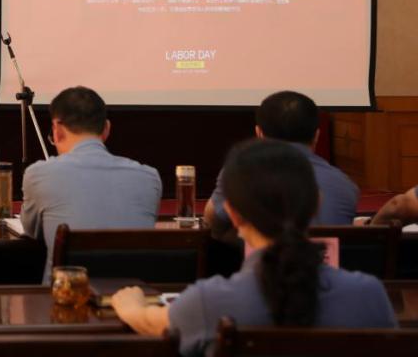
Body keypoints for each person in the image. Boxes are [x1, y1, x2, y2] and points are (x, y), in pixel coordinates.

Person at [113, 139, 397, 356]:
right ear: (316, 204)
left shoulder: (208, 302)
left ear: (233, 214)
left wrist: (130, 301)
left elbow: (148, 322)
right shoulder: (369, 295)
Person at [20, 86, 161, 279]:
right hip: (132, 295)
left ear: (57, 131)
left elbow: (32, 233)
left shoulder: (38, 174)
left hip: (66, 295)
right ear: (106, 129)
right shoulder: (149, 178)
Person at [204, 91, 358, 238]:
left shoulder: (240, 172)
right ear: (317, 135)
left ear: (259, 133)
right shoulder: (345, 185)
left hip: (259, 256)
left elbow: (212, 221)